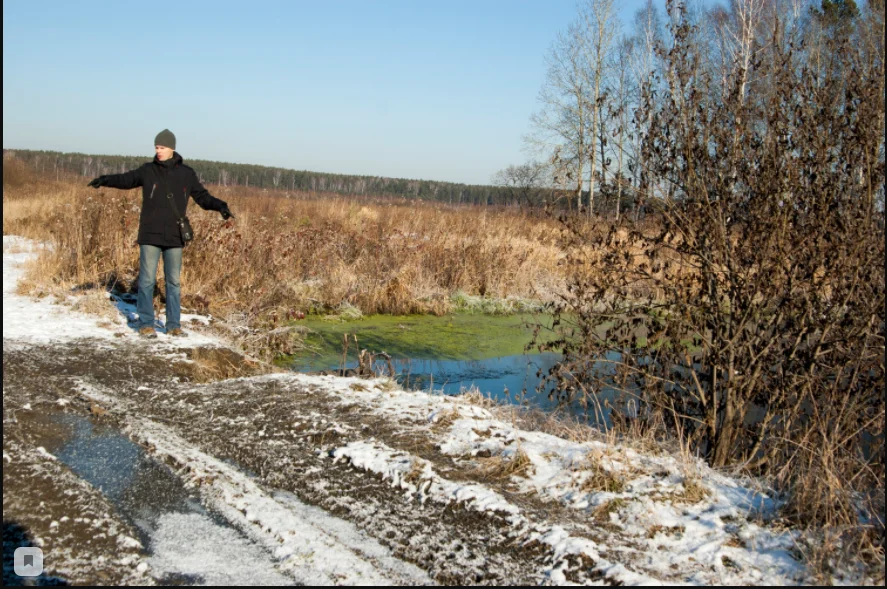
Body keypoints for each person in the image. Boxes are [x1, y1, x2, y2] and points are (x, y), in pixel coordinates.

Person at [87, 129, 234, 338]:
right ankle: (146, 324)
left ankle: (173, 325)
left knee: (173, 282)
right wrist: (105, 179)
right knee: (146, 281)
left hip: (175, 237)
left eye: (162, 147)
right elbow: (126, 179)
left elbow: (202, 197)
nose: (158, 151)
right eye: (156, 147)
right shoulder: (148, 171)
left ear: (172, 148)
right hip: (150, 235)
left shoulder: (186, 174)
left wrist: (220, 206)